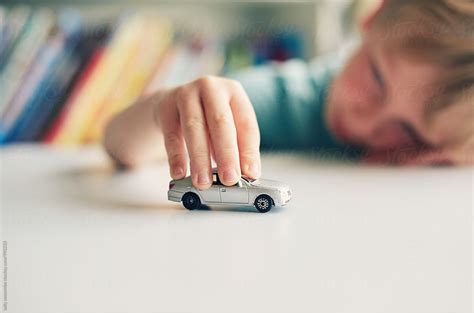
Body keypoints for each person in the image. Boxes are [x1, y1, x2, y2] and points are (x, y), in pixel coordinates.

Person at [103, 0, 474, 190]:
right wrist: (164, 111)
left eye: (410, 131)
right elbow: (119, 144)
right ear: (373, 18)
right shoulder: (291, 98)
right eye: (376, 79)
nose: (371, 122)